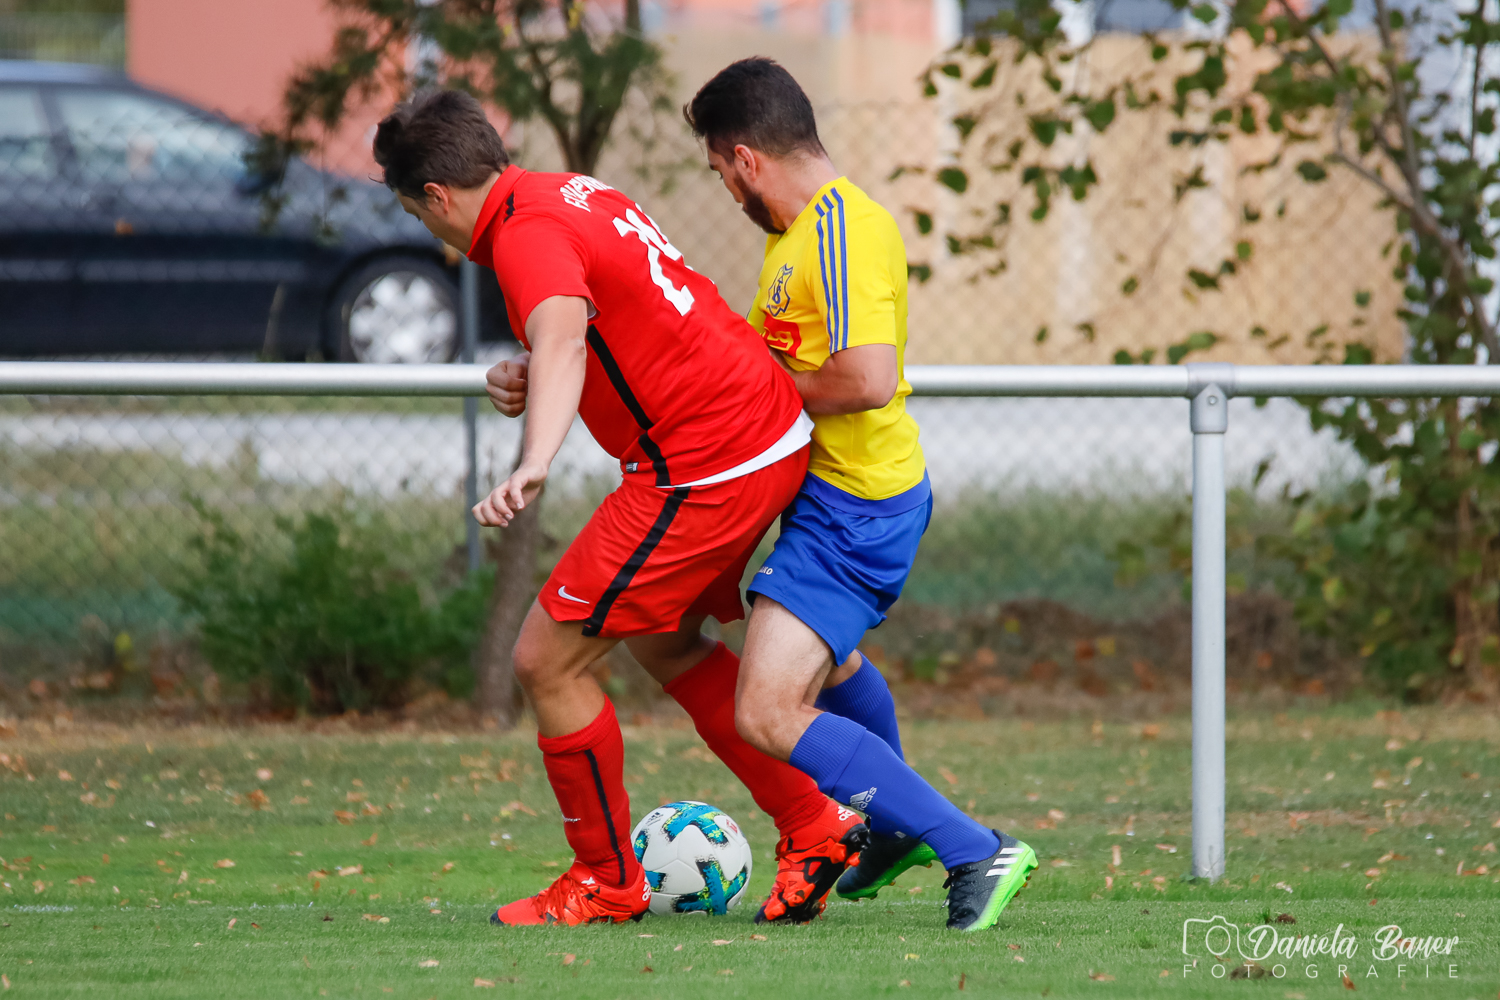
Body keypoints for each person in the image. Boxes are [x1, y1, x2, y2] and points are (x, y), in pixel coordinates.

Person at [372, 89, 866, 926]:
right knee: (664, 642)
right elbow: (614, 322)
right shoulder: (570, 190)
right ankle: (814, 823)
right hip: (758, 431)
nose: (437, 237)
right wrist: (538, 369)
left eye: (425, 221)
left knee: (545, 659)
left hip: (708, 462)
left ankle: (606, 880)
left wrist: (534, 459)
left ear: (436, 196)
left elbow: (566, 334)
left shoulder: (524, 233)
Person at [685, 58, 1038, 931]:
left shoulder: (842, 228)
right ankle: (891, 826)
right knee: (830, 665)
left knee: (767, 711)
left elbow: (867, 379)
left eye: (721, 171)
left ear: (747, 158)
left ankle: (971, 847)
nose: (726, 188)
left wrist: (753, 398)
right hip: (828, 501)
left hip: (858, 507)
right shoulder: (792, 235)